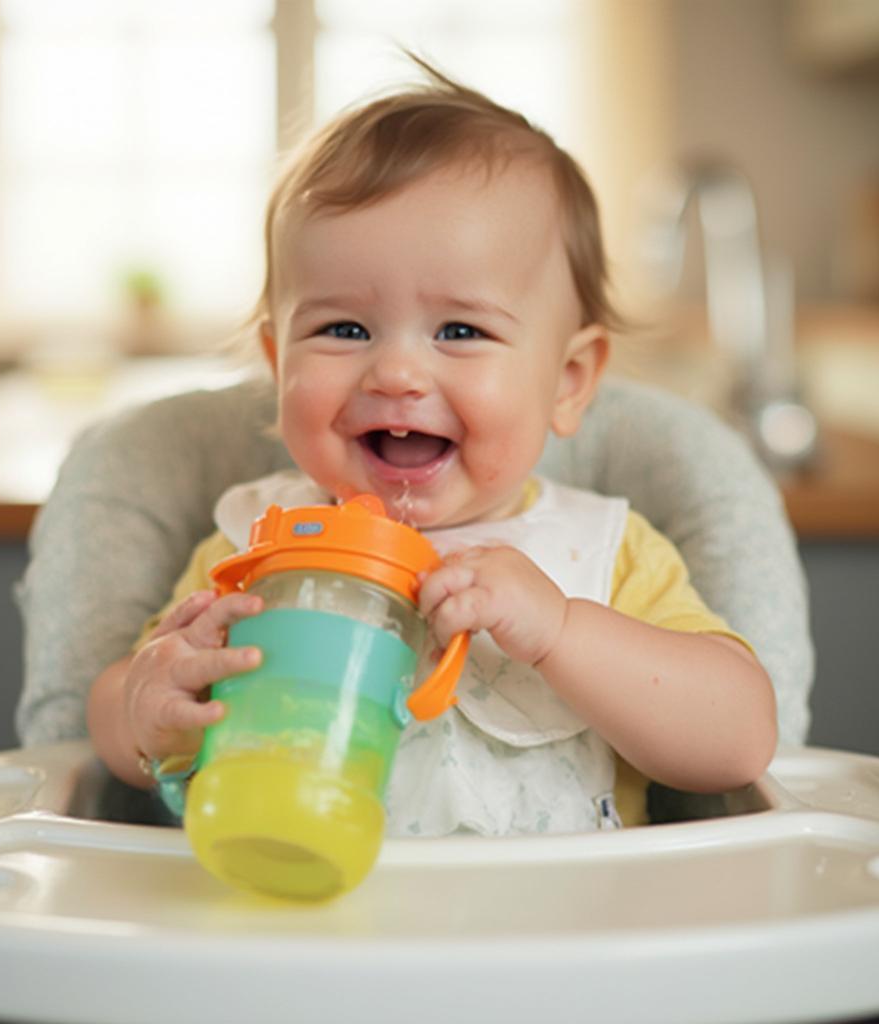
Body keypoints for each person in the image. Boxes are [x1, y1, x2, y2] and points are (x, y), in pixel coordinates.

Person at [83, 62, 777, 835]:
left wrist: (560, 631)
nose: (398, 373)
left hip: (562, 942)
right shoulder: (255, 543)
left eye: (461, 331)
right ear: (281, 367)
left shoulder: (604, 552)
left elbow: (740, 743)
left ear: (569, 381)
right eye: (344, 329)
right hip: (298, 933)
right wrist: (149, 708)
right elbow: (115, 721)